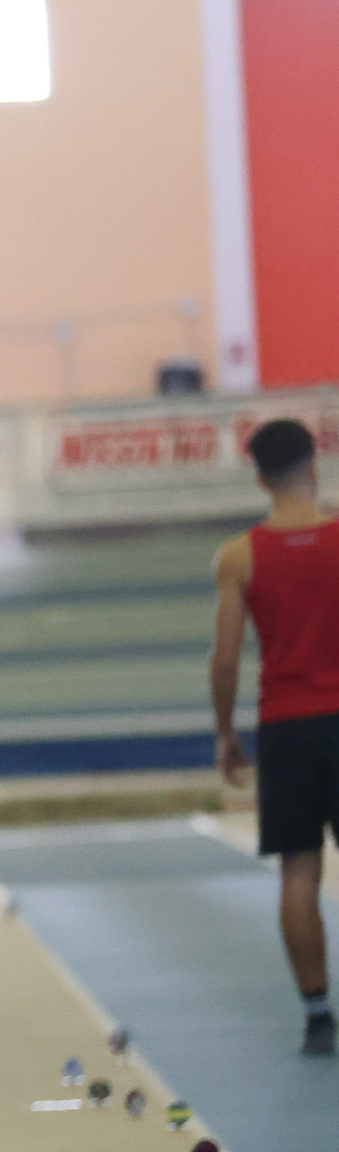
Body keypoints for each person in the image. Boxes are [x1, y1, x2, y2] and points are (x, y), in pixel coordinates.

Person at [214, 417, 339, 1055]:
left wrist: (224, 732)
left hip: (287, 727)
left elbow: (225, 659)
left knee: (298, 869)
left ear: (260, 479)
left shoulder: (239, 557)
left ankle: (318, 1017)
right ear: (314, 467)